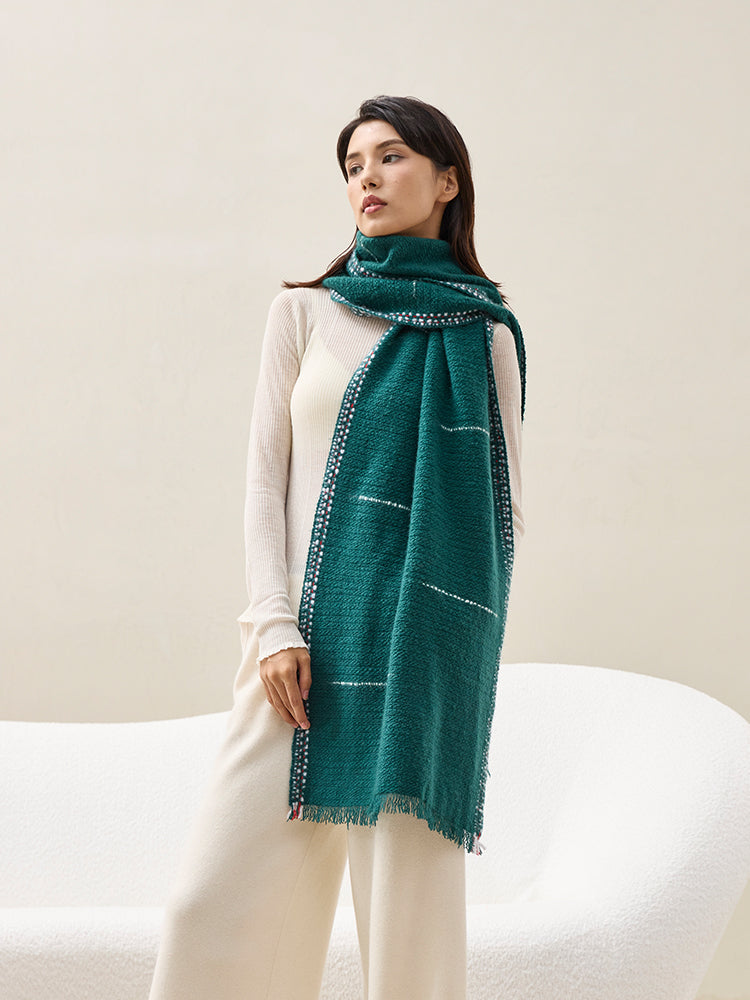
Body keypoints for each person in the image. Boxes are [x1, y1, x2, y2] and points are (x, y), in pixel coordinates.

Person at [147, 95, 525, 1000]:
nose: (367, 178)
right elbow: (263, 482)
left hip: (415, 654)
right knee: (209, 908)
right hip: (294, 646)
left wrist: (443, 646)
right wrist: (274, 624)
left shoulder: (485, 337)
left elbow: (502, 512)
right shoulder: (304, 314)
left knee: (406, 933)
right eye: (354, 165)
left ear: (447, 181)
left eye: (390, 157)